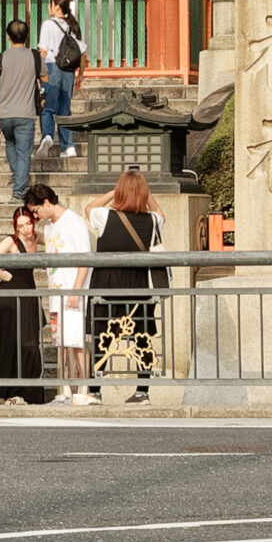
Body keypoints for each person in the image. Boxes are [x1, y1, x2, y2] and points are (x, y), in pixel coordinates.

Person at [86, 170, 168, 403]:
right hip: (137, 287)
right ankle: (142, 391)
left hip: (106, 285)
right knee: (141, 337)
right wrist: (147, 195)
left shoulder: (105, 216)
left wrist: (114, 192)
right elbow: (160, 213)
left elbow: (89, 208)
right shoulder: (152, 221)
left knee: (102, 337)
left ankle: (95, 391)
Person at [0, 205, 53, 405]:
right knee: (11, 341)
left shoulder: (38, 237)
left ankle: (28, 392)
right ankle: (10, 391)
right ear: (16, 227)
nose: (26, 229)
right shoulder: (10, 241)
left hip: (29, 294)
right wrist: (6, 275)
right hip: (9, 296)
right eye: (21, 226)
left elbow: (56, 239)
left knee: (30, 342)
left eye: (28, 223)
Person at [28, 183, 94, 404]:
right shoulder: (48, 227)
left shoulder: (73, 221)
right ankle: (65, 389)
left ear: (46, 203)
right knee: (63, 343)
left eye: (36, 211)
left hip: (74, 291)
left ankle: (83, 389)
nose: (36, 215)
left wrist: (76, 290)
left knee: (78, 343)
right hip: (56, 292)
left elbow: (85, 258)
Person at [0, 17, 44, 198]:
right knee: (24, 151)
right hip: (25, 112)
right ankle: (19, 189)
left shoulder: (0, 58)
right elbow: (46, 79)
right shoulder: (35, 57)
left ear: (8, 37)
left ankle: (17, 176)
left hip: (4, 114)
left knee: (10, 144)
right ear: (27, 36)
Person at [37, 0, 85, 161]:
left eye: (50, 4)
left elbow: (42, 52)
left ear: (57, 6)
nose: (48, 7)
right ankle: (68, 146)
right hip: (69, 70)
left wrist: (40, 74)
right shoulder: (73, 26)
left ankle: (47, 136)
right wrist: (81, 76)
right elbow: (82, 54)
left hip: (51, 66)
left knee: (48, 105)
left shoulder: (48, 25)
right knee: (65, 109)